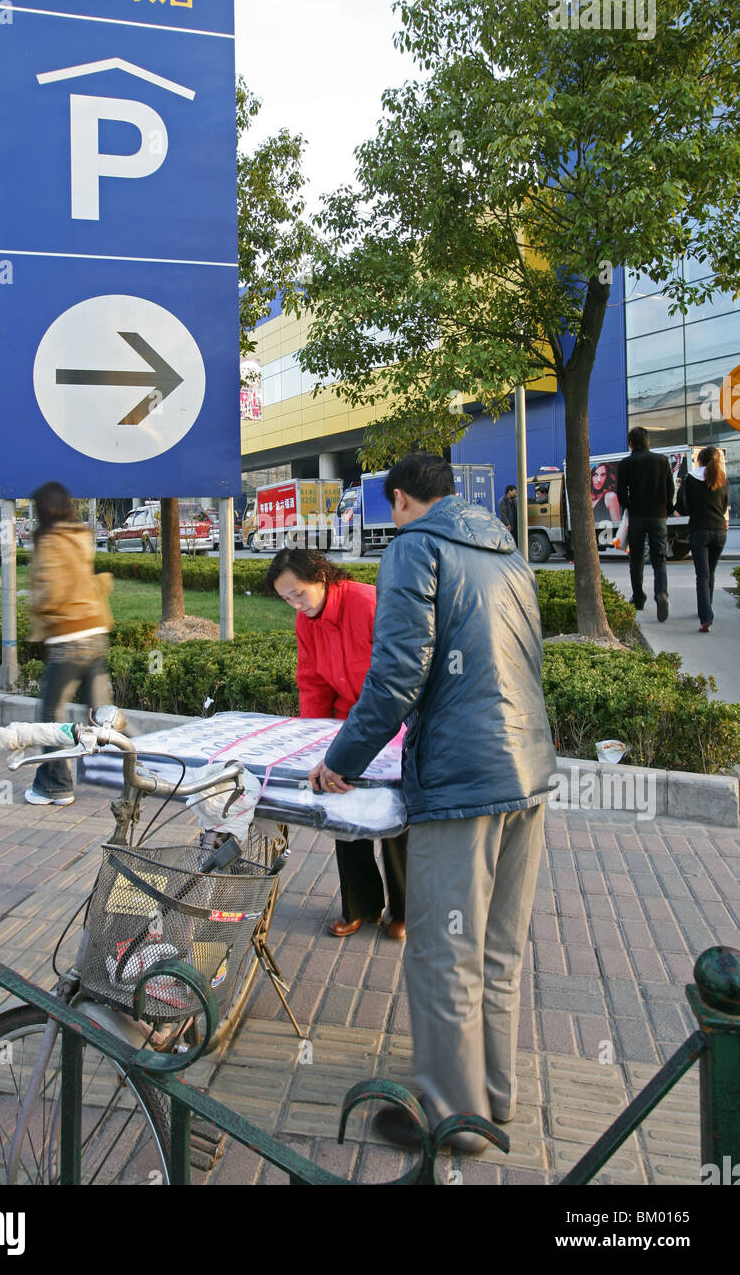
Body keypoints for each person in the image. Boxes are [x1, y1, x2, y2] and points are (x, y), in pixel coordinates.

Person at [308, 454, 555, 1154]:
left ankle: (452, 1117)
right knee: (497, 948)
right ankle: (493, 1096)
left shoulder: (415, 547)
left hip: (463, 780)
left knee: (445, 952)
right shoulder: (505, 549)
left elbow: (394, 677)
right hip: (528, 770)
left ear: (398, 501)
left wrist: (340, 763)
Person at [265, 548, 407, 940]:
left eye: (298, 593)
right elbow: (311, 681)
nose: (295, 603)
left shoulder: (367, 603)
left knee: (394, 818)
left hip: (392, 723)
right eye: (286, 598)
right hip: (347, 725)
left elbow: (399, 673)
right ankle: (360, 906)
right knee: (345, 812)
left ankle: (404, 911)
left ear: (321, 578)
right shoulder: (305, 622)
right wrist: (313, 742)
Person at [25, 482, 114, 806]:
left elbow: (53, 591)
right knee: (101, 715)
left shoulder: (49, 541)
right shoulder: (80, 535)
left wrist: (37, 605)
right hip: (95, 632)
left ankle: (57, 786)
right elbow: (84, 580)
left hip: (68, 639)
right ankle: (143, 772)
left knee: (51, 714)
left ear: (44, 509)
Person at [616, 426, 674, 621]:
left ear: (631, 442)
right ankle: (661, 594)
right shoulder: (662, 461)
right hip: (658, 516)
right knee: (660, 559)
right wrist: (667, 509)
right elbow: (670, 489)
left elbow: (621, 494)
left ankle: (639, 598)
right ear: (647, 441)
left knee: (637, 560)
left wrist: (629, 507)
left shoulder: (626, 463)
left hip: (638, 516)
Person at [676, 446, 730, 633]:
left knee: (702, 575)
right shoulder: (723, 479)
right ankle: (707, 608)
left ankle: (705, 617)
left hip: (699, 530)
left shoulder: (690, 478)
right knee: (711, 572)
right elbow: (724, 505)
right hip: (720, 531)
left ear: (699, 459)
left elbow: (681, 506)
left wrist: (693, 510)